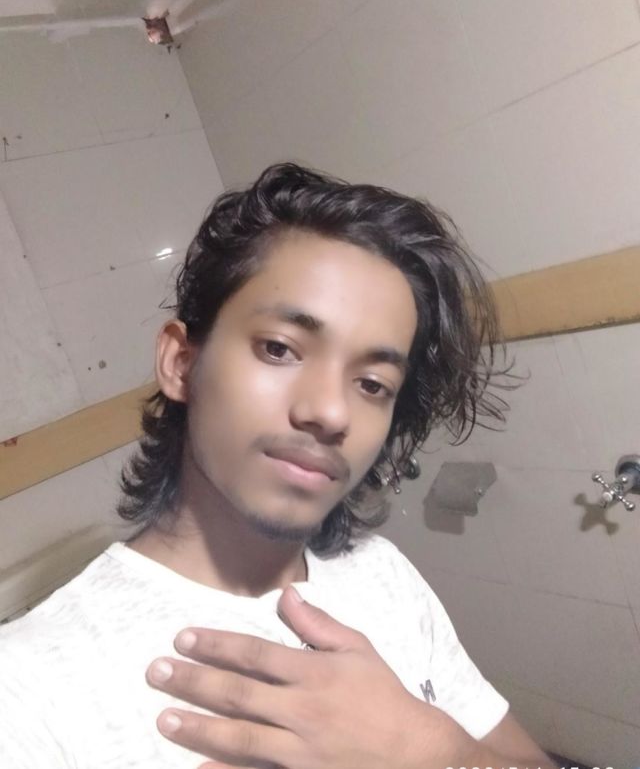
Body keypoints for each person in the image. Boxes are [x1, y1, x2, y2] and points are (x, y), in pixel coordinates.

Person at [0, 163, 555, 769]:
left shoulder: (383, 574)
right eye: (279, 349)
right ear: (182, 364)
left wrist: (428, 751)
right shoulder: (27, 692)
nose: (331, 412)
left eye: (372, 384)